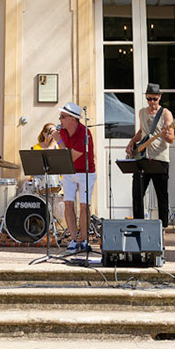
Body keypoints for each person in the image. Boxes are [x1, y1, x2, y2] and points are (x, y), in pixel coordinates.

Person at [127, 84, 175, 226]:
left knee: (161, 194)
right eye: (149, 99)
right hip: (143, 158)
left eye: (154, 99)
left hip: (159, 159)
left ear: (159, 97)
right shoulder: (142, 112)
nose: (152, 102)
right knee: (137, 192)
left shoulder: (166, 113)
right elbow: (142, 132)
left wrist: (166, 135)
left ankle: (163, 226)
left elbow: (171, 138)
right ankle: (138, 224)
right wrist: (131, 143)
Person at [56, 103, 96, 248]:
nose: (60, 119)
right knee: (68, 203)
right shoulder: (63, 132)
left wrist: (58, 141)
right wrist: (58, 139)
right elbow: (63, 155)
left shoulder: (84, 133)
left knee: (84, 206)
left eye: (63, 117)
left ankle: (84, 240)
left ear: (73, 119)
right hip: (69, 172)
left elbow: (70, 157)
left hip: (85, 172)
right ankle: (73, 239)